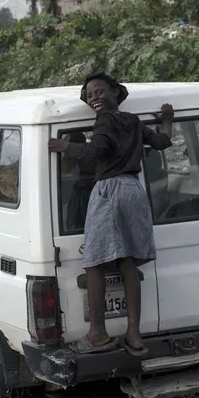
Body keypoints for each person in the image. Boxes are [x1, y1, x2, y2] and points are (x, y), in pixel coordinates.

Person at [47, 73, 174, 357]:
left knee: (93, 262)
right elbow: (162, 142)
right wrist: (167, 117)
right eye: (91, 96)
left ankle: (97, 333)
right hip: (134, 189)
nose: (95, 98)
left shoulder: (104, 121)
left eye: (100, 92)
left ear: (116, 92)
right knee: (127, 261)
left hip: (108, 189)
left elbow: (98, 150)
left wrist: (65, 146)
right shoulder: (133, 121)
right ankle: (134, 334)